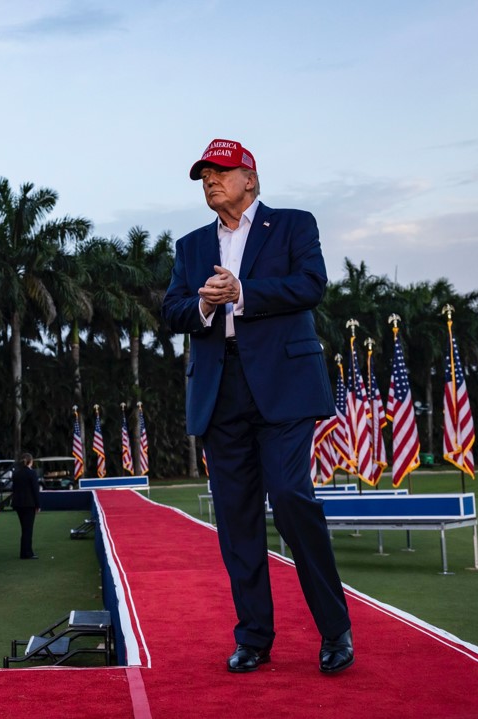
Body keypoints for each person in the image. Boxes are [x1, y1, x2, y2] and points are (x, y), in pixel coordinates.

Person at [161, 138, 353, 675]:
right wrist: (203, 302)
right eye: (204, 174)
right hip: (219, 391)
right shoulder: (191, 245)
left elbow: (310, 285)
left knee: (291, 497)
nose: (210, 180)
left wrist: (242, 293)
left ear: (250, 176)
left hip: (283, 386)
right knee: (237, 519)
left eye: (221, 171)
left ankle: (335, 629)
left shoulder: (293, 225)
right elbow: (171, 307)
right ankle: (254, 638)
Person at [10, 453, 41, 560]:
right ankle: (27, 552)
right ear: (30, 461)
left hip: (18, 504)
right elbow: (35, 490)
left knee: (24, 528)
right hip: (29, 504)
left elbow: (14, 489)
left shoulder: (16, 473)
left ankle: (25, 551)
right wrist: (38, 504)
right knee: (28, 529)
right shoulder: (31, 473)